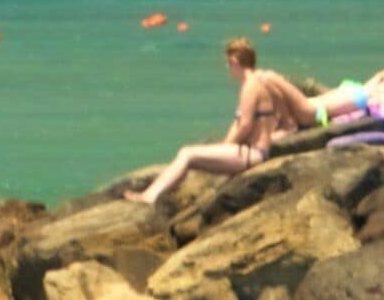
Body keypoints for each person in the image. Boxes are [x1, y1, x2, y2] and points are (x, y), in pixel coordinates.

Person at [130, 38, 312, 205]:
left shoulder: (250, 87)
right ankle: (159, 195)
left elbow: (246, 125)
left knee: (187, 153)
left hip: (252, 154)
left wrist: (228, 146)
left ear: (235, 63)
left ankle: (150, 197)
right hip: (258, 151)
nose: (229, 69)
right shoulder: (260, 83)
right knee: (192, 158)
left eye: (229, 64)